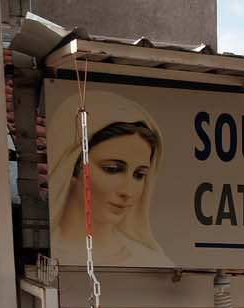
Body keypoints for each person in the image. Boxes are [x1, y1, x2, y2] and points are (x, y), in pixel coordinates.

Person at [49, 92, 172, 268]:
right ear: (72, 167)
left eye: (139, 175)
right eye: (112, 170)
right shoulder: (44, 258)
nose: (128, 192)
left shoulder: (154, 262)